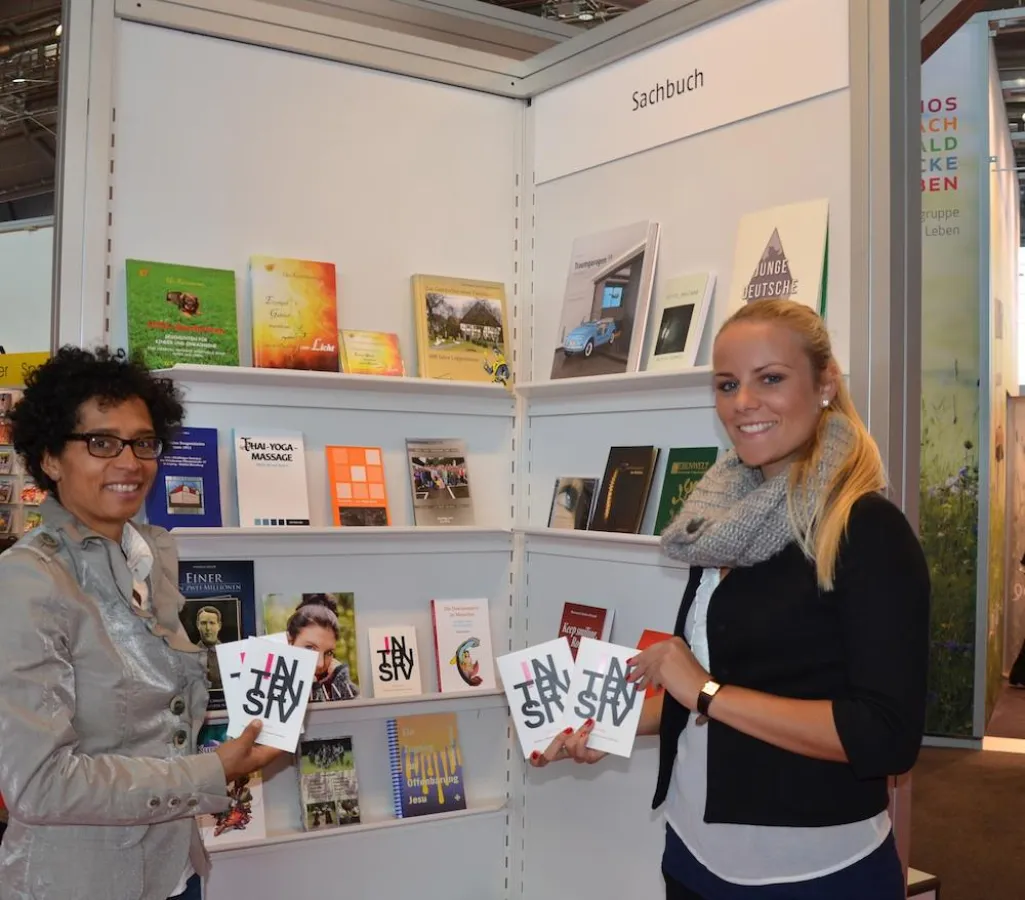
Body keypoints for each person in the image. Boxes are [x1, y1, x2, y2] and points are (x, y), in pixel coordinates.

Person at [531, 299, 930, 900]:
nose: (743, 402)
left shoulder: (865, 528)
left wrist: (707, 691)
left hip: (811, 874)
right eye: (727, 384)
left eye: (770, 378)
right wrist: (604, 729)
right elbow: (715, 697)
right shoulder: (723, 520)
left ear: (825, 385)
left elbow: (886, 736)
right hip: (692, 858)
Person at [0, 347, 282, 900]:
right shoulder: (28, 581)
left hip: (174, 870)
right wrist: (211, 772)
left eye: (144, 442)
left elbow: (165, 719)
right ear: (52, 459)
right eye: (102, 442)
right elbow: (37, 784)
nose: (130, 462)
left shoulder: (150, 557)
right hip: (78, 883)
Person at [286, 593, 360, 702]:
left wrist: (341, 681)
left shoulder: (335, 680)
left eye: (329, 652)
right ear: (289, 642)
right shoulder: (269, 685)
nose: (320, 664)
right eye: (310, 648)